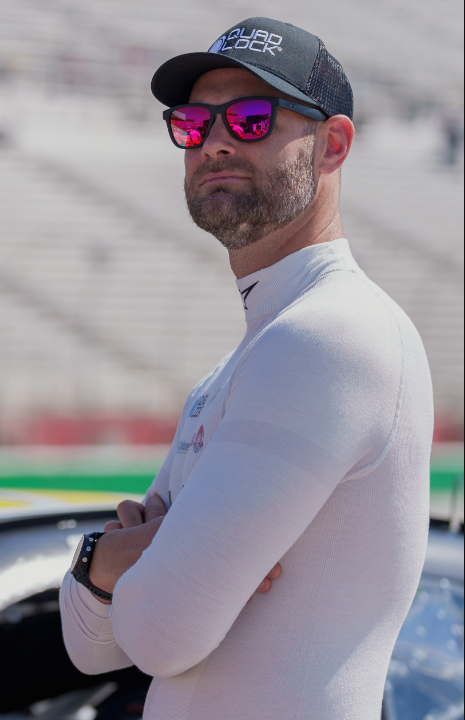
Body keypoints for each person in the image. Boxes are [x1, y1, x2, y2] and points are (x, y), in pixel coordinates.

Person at [59, 17, 434, 718]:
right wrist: (108, 562)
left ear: (334, 145)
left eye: (254, 119)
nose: (219, 140)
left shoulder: (332, 335)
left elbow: (157, 637)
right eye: (195, 124)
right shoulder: (243, 363)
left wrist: (122, 567)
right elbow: (91, 647)